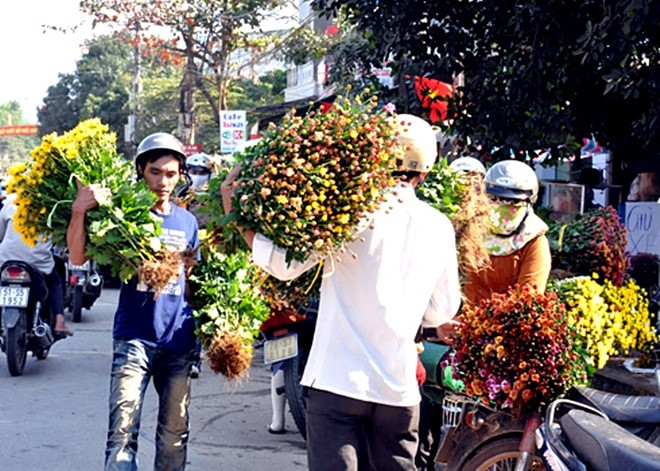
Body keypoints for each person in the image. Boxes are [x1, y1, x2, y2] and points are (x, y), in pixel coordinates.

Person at [222, 114, 462, 470]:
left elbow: (284, 266)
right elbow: (442, 311)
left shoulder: (350, 213)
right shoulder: (439, 226)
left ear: (372, 158)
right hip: (397, 389)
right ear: (424, 172)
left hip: (337, 383)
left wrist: (236, 214)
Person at [67, 132, 200, 471]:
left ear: (180, 175)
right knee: (122, 434)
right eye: (155, 172)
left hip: (178, 344)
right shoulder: (122, 215)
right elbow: (79, 256)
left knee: (174, 436)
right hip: (134, 339)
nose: (163, 181)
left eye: (171, 174)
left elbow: (191, 283)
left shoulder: (187, 223)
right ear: (141, 170)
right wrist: (80, 210)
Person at [463, 159, 551, 305]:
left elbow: (527, 299)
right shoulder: (478, 233)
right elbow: (471, 288)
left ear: (528, 201)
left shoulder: (534, 242)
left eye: (512, 201)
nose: (501, 206)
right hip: (474, 322)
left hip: (509, 323)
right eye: (494, 199)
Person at [0, 193, 73, 337]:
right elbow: (61, 240)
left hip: (6, 260)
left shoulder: (11, 203)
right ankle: (59, 322)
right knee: (55, 283)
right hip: (39, 262)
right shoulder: (53, 206)